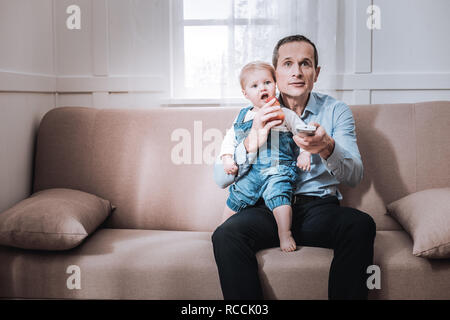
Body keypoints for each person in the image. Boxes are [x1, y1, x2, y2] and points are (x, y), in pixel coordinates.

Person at [212, 34, 376, 300]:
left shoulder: (336, 111)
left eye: (305, 64)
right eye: (287, 64)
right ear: (275, 73)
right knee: (226, 235)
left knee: (360, 225)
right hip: (266, 209)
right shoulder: (251, 113)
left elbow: (355, 175)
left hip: (318, 210)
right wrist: (251, 143)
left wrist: (326, 147)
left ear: (316, 72)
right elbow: (220, 178)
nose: (297, 72)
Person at [219, 61, 311, 252]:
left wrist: (304, 153)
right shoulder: (243, 116)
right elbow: (230, 137)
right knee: (236, 197)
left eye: (267, 82)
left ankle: (284, 233)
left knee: (280, 196)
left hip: (278, 169)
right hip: (250, 172)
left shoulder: (284, 113)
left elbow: (303, 133)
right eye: (254, 86)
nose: (263, 88)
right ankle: (221, 230)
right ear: (246, 94)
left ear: (275, 85)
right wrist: (227, 157)